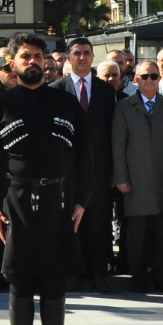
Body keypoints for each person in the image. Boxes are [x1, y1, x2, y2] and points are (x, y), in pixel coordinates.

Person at [0, 32, 91, 325]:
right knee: (22, 283)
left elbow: (85, 156)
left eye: (38, 56)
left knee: (56, 286)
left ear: (47, 61)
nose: (32, 61)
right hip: (17, 205)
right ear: (11, 63)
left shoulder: (66, 103)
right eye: (25, 56)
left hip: (59, 203)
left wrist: (81, 201)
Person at [111, 61, 163, 293]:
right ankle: (138, 275)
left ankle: (162, 274)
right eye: (144, 76)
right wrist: (121, 177)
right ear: (135, 80)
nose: (149, 80)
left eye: (154, 76)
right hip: (136, 179)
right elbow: (118, 145)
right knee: (137, 232)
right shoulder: (124, 107)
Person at [52, 37, 117, 291]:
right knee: (69, 220)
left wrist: (113, 169)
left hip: (99, 168)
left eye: (86, 53)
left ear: (93, 58)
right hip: (67, 169)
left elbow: (111, 131)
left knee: (99, 221)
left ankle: (98, 272)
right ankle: (71, 272)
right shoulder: (57, 89)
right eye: (77, 53)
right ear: (69, 58)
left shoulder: (105, 90)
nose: (82, 57)